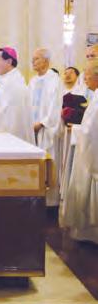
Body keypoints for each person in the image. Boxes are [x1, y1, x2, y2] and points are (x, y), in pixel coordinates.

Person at [61, 72, 98, 244]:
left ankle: (90, 234)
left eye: (88, 76)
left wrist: (74, 129)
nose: (84, 79)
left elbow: (90, 129)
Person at [29, 48, 63, 206]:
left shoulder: (54, 80)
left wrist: (43, 122)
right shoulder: (32, 81)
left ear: (46, 61)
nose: (33, 62)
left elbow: (55, 105)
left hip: (46, 129)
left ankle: (50, 203)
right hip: (32, 129)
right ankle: (35, 199)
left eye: (36, 59)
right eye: (33, 59)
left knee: (49, 163)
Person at [0, 47, 34, 144]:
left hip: (10, 139)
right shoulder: (6, 81)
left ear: (9, 62)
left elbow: (0, 115)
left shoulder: (13, 84)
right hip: (6, 137)